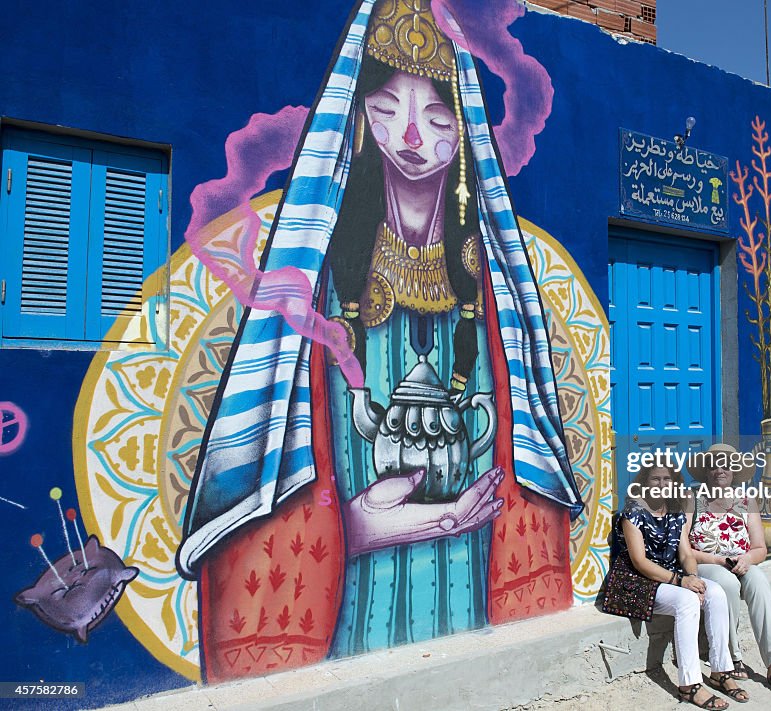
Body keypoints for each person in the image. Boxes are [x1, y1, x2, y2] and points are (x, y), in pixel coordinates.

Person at [175, 0, 583, 682]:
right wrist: (371, 527)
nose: (413, 136)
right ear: (359, 119)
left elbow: (525, 473)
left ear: (466, 131)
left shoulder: (493, 297)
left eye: (437, 114)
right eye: (389, 107)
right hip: (345, 613)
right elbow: (268, 506)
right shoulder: (314, 293)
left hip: (471, 584)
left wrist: (460, 521)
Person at [612, 464, 747, 708]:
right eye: (656, 479)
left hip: (670, 577)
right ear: (644, 482)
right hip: (637, 582)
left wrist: (694, 577)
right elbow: (640, 562)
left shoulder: (674, 511)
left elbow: (685, 554)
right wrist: (681, 581)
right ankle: (689, 685)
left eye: (667, 479)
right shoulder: (632, 513)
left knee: (714, 592)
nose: (662, 484)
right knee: (687, 601)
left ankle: (720, 671)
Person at [685, 443, 771, 702]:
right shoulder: (694, 499)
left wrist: (747, 559)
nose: (720, 470)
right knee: (727, 583)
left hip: (741, 562)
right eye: (714, 466)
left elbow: (760, 548)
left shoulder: (747, 501)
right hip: (708, 562)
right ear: (706, 473)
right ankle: (733, 657)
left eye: (726, 465)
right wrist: (715, 559)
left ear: (734, 472)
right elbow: (686, 548)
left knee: (759, 581)